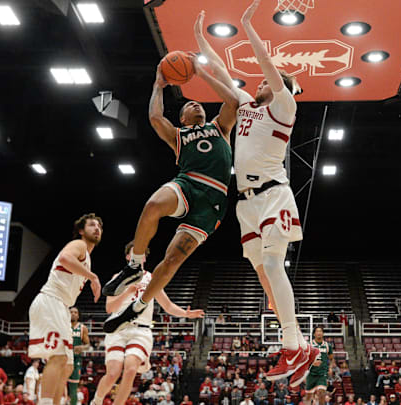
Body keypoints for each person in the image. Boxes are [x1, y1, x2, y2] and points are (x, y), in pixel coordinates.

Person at [192, 2, 314, 387]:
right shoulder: (246, 105)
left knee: (275, 267)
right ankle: (301, 345)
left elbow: (268, 67)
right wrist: (198, 49)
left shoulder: (285, 105)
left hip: (273, 194)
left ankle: (293, 344)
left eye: (268, 81)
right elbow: (224, 76)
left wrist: (247, 25)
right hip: (246, 202)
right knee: (263, 275)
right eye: (260, 83)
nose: (259, 83)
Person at [101, 38, 239, 331]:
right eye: (190, 104)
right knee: (153, 205)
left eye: (199, 103)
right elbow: (154, 116)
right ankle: (135, 265)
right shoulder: (178, 136)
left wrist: (201, 74)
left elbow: (233, 101)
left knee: (173, 258)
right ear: (183, 117)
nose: (195, 104)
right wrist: (158, 85)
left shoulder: (220, 127)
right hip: (187, 184)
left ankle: (136, 309)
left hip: (212, 201)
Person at [95, 245, 204, 405]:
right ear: (127, 257)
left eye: (140, 252)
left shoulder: (151, 279)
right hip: (118, 328)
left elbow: (167, 306)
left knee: (131, 369)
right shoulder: (117, 277)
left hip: (141, 330)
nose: (137, 255)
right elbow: (109, 308)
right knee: (113, 373)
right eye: (133, 252)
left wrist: (185, 314)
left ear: (144, 257)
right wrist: (127, 292)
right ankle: (96, 401)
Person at [28, 213, 102, 405]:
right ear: (81, 230)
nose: (97, 229)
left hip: (61, 307)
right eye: (92, 225)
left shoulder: (87, 257)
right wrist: (93, 277)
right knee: (58, 358)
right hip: (51, 301)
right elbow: (64, 258)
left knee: (68, 365)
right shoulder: (79, 245)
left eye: (99, 227)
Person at [303, 327, 333, 405]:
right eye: (317, 331)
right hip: (311, 373)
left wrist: (330, 367)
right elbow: (304, 359)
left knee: (322, 393)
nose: (319, 333)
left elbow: (331, 358)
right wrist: (312, 363)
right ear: (314, 334)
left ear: (323, 333)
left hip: (322, 373)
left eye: (320, 331)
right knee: (308, 397)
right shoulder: (309, 345)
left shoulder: (327, 345)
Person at [67, 307, 90, 405]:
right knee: (59, 386)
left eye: (75, 312)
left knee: (73, 388)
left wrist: (82, 347)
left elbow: (88, 345)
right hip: (64, 359)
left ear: (78, 315)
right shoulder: (63, 325)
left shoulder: (82, 328)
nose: (73, 314)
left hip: (76, 360)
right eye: (71, 312)